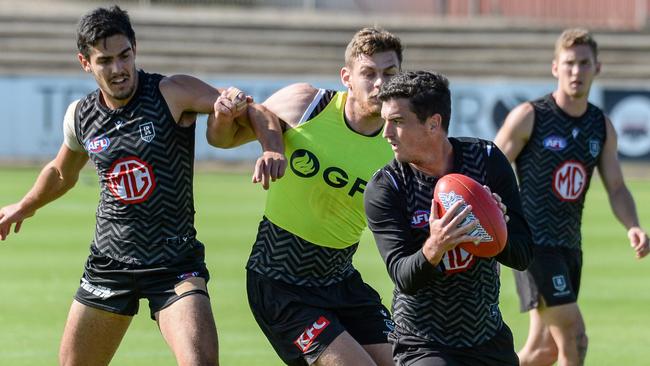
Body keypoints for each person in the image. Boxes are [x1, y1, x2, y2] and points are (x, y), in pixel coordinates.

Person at [0, 6, 284, 366]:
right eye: (105, 61)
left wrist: (271, 148)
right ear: (85, 63)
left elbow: (252, 109)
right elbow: (60, 173)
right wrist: (23, 206)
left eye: (125, 56)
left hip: (174, 262)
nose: (118, 69)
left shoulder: (171, 92)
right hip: (109, 263)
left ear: (135, 48)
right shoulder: (80, 116)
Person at [239, 27, 402, 366]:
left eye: (390, 73)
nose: (380, 84)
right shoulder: (312, 104)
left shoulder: (398, 145)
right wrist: (272, 148)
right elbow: (258, 111)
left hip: (341, 281)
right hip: (280, 284)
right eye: (369, 73)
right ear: (347, 77)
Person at [494, 28, 650, 366]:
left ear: (598, 68)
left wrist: (633, 225)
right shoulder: (530, 116)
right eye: (569, 64)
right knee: (575, 338)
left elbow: (617, 187)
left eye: (583, 63)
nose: (576, 71)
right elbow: (489, 169)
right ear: (555, 68)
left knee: (543, 351)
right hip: (533, 244)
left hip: (569, 246)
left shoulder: (601, 125)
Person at [364, 70, 534, 366]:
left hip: (487, 337)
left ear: (433, 123)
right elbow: (403, 277)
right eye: (385, 120)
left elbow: (523, 255)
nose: (385, 133)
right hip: (423, 343)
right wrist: (436, 245)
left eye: (398, 122)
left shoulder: (487, 159)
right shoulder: (386, 186)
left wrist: (495, 228)